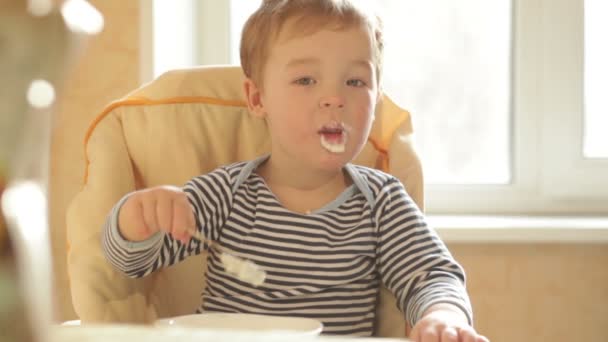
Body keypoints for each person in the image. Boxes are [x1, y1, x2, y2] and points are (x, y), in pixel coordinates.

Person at [102, 0, 489, 340]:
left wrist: (443, 317)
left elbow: (432, 276)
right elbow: (132, 261)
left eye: (355, 81)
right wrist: (138, 218)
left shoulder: (381, 202)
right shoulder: (226, 193)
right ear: (257, 98)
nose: (334, 98)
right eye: (306, 80)